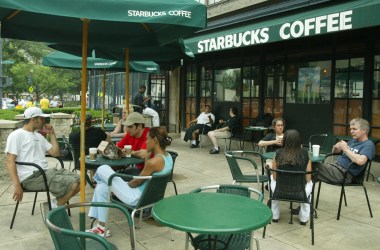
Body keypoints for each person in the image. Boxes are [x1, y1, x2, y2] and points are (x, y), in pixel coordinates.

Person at [86, 127, 173, 237]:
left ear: (155, 140)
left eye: (147, 139)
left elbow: (136, 182)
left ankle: (96, 180)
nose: (146, 142)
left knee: (103, 168)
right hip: (149, 197)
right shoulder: (167, 157)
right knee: (102, 188)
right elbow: (145, 173)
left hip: (136, 198)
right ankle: (102, 227)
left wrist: (122, 185)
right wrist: (148, 154)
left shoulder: (154, 162)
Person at [5, 107, 80, 208]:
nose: (44, 121)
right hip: (30, 178)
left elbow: (56, 153)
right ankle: (53, 207)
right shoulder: (16, 135)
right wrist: (17, 185)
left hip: (46, 173)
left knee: (81, 180)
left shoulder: (39, 136)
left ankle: (54, 205)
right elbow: (10, 161)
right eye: (42, 119)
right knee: (73, 184)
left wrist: (52, 134)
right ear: (34, 119)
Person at [270, 129, 312, 225]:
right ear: (299, 141)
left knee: (272, 180)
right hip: (301, 190)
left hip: (279, 189)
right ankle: (304, 219)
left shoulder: (278, 153)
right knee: (309, 187)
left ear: (285, 140)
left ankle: (275, 216)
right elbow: (308, 178)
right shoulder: (305, 154)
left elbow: (275, 177)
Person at [314, 118, 375, 184]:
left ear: (364, 130)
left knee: (310, 166)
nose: (351, 131)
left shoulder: (368, 144)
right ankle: (307, 191)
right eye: (350, 129)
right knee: (309, 170)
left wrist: (346, 149)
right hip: (335, 167)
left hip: (345, 174)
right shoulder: (353, 141)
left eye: (354, 129)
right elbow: (335, 153)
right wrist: (336, 147)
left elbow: (360, 161)